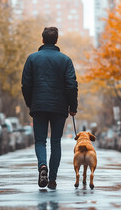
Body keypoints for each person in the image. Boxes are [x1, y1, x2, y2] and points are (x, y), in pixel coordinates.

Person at [21, 27, 78, 189]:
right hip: (59, 108)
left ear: (42, 39)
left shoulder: (32, 59)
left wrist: (30, 103)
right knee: (55, 142)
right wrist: (72, 106)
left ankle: (42, 166)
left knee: (40, 141)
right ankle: (52, 179)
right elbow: (71, 85)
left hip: (38, 105)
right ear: (56, 40)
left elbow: (26, 85)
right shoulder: (65, 60)